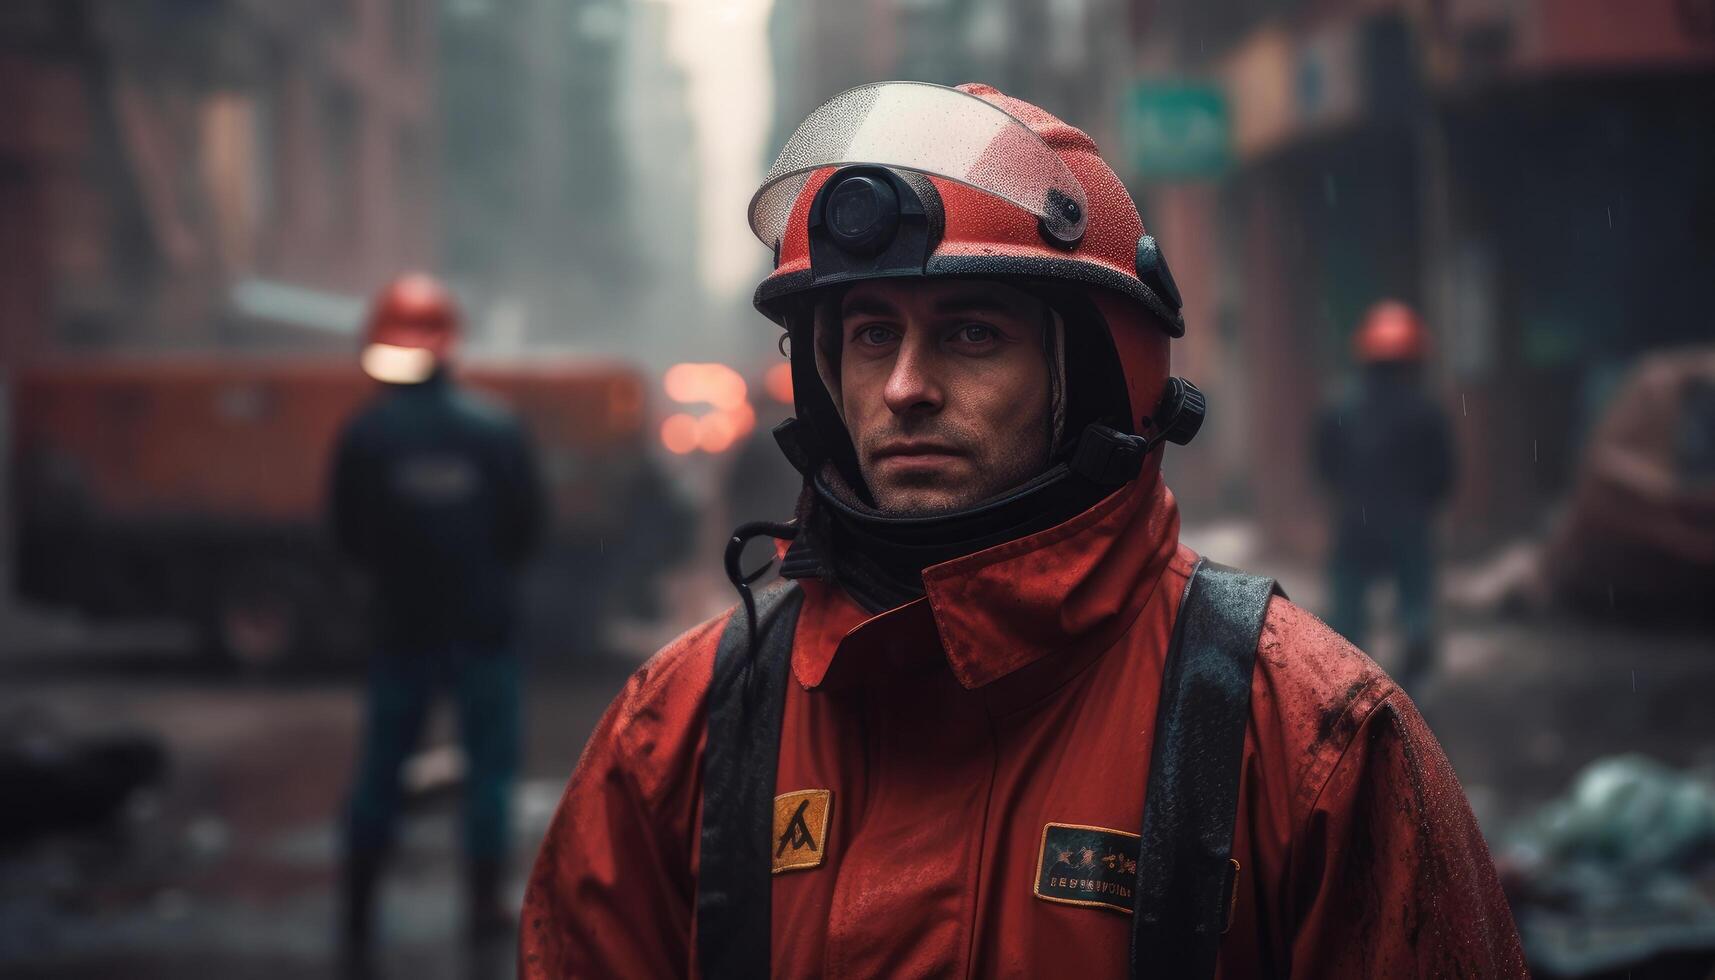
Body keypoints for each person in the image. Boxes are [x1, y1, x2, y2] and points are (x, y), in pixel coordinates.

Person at [521, 83, 1523, 978]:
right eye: (871, 335)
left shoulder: (1307, 739)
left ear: (1092, 376)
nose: (904, 388)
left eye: (969, 333)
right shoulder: (682, 725)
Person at [330, 274, 544, 970]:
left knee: (381, 768)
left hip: (402, 629)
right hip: (481, 627)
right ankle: (482, 906)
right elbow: (525, 527)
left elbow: (347, 534)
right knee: (488, 771)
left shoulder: (365, 433)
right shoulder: (495, 427)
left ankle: (358, 912)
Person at [1313, 301, 1456, 692]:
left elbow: (1325, 467)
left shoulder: (1340, 407)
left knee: (1347, 614)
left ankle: (1347, 681)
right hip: (1407, 522)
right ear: (1413, 357)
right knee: (1415, 605)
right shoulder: (1426, 411)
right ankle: (1416, 679)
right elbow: (1443, 475)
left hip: (1355, 523)